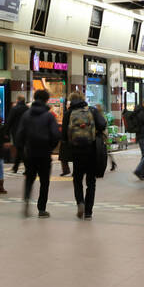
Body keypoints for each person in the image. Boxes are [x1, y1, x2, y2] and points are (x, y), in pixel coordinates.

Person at [16, 89, 60, 218]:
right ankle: (41, 209)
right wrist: (50, 147)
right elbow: (55, 135)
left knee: (29, 179)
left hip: (30, 152)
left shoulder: (26, 114)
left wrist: (23, 149)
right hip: (44, 153)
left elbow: (20, 135)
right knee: (44, 181)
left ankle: (26, 202)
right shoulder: (49, 116)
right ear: (46, 100)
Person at [63, 91, 107, 219]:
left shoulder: (68, 114)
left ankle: (80, 203)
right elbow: (103, 124)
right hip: (92, 150)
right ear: (83, 99)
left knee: (77, 179)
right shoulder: (92, 111)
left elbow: (64, 136)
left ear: (71, 100)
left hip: (77, 151)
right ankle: (88, 212)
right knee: (91, 182)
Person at [8, 96, 29, 174]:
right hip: (26, 132)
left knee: (20, 149)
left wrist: (6, 131)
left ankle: (27, 167)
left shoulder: (14, 109)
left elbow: (9, 121)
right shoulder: (27, 109)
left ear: (17, 100)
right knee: (20, 148)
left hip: (16, 132)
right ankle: (15, 167)